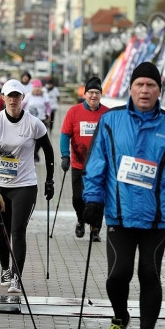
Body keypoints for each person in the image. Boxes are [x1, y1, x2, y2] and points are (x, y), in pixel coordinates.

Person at [82, 62, 165, 329]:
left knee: (150, 275)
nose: (145, 90)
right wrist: (92, 200)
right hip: (119, 215)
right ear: (130, 88)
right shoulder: (111, 121)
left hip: (155, 219)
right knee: (117, 276)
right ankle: (120, 316)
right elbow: (97, 163)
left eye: (151, 85)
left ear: (159, 91)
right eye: (139, 84)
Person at [0, 79, 55, 294]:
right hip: (0, 185)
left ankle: (16, 276)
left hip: (25, 185)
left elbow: (48, 151)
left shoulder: (34, 123)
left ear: (23, 98)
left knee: (17, 230)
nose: (13, 100)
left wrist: (49, 180)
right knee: (2, 229)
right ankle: (5, 268)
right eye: (9, 96)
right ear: (3, 98)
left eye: (17, 96)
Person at [60, 76, 108, 241]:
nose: (94, 96)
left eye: (97, 92)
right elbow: (65, 135)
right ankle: (81, 219)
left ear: (100, 95)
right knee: (77, 198)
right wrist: (65, 156)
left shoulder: (107, 114)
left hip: (100, 166)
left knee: (98, 199)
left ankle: (95, 229)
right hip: (78, 164)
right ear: (85, 94)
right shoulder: (74, 111)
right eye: (90, 92)